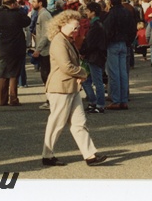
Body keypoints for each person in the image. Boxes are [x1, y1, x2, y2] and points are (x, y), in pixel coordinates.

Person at [41, 10, 107, 167]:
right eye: (75, 27)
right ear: (63, 24)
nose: (77, 30)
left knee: (79, 122)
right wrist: (83, 73)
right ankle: (47, 154)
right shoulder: (59, 41)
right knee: (57, 123)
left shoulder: (66, 39)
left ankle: (90, 155)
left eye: (78, 27)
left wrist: (80, 74)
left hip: (70, 87)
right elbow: (66, 66)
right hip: (60, 88)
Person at [0, 0, 31, 106]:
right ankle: (13, 98)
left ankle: (2, 99)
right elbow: (27, 21)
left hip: (2, 46)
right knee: (14, 73)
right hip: (15, 46)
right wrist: (18, 9)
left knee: (2, 73)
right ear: (13, 4)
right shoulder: (17, 14)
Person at [103, 0, 137, 110]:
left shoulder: (112, 14)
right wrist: (129, 42)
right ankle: (123, 99)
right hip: (125, 43)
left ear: (111, 1)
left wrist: (106, 41)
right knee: (123, 73)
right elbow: (133, 29)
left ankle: (116, 100)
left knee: (114, 73)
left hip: (114, 43)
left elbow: (107, 30)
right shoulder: (127, 12)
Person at [79, 2, 107, 113]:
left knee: (96, 81)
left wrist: (83, 51)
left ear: (93, 12)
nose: (86, 13)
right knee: (87, 80)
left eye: (88, 11)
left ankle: (99, 104)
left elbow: (90, 43)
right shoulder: (98, 24)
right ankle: (94, 101)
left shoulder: (95, 26)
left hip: (94, 56)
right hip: (95, 55)